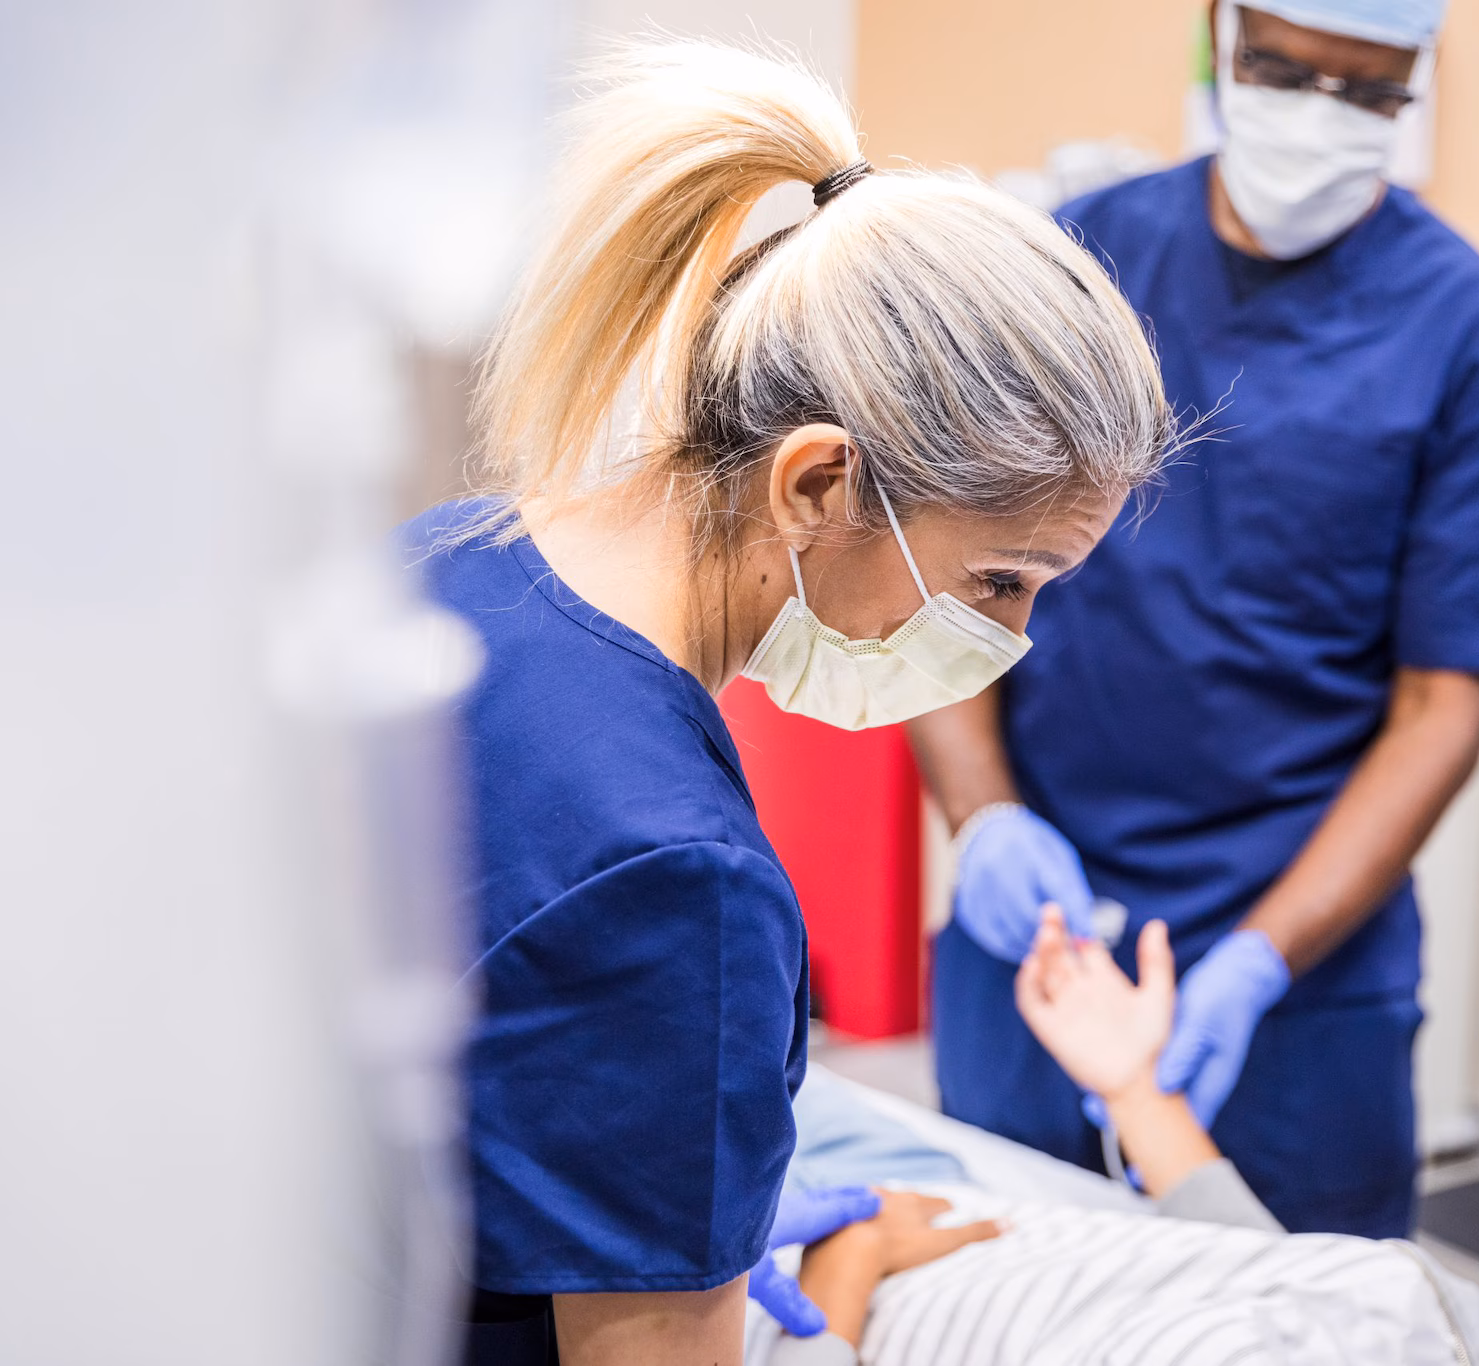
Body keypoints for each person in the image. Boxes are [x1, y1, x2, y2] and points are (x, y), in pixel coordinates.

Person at [399, 40, 1175, 1366]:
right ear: (818, 483)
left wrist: (662, 1211)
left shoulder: (451, 558)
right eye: (999, 578)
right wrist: (849, 1274)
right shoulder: (673, 874)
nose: (1011, 639)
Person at [910, 0, 1479, 1238]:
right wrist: (982, 816)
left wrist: (1262, 958)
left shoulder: (1466, 332)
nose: (1316, 114)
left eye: (1365, 91)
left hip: (1300, 976)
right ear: (1218, 36)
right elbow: (941, 578)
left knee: (1292, 1306)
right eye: (1281, 69)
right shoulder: (1075, 265)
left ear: (1416, 78)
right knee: (1005, 1287)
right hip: (1040, 932)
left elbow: (1444, 702)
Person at [748, 912, 1479, 1365]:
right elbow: (1289, 1281)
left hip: (822, 1293)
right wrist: (1140, 1094)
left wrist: (849, 1262)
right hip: (954, 1208)